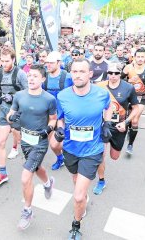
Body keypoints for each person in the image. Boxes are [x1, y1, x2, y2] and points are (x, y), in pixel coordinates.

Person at [55, 58, 112, 239]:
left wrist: (107, 124)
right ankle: (83, 197)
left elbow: (108, 108)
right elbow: (60, 118)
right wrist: (59, 129)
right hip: (71, 149)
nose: (78, 75)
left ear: (90, 74)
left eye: (81, 71)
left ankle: (76, 225)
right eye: (74, 71)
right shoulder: (63, 96)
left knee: (78, 196)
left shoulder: (102, 94)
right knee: (75, 180)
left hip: (92, 150)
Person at [6, 64, 57, 230]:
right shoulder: (19, 96)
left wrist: (48, 129)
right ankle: (48, 183)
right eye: (29, 76)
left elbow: (53, 119)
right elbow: (9, 116)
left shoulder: (49, 99)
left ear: (43, 78)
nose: (31, 79)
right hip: (25, 140)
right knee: (36, 168)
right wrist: (13, 117)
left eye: (35, 76)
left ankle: (27, 211)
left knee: (25, 177)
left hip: (40, 142)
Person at [93, 63, 139, 195]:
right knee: (100, 155)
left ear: (121, 74)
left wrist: (126, 122)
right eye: (110, 73)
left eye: (116, 73)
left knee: (114, 156)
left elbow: (136, 108)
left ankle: (121, 143)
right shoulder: (99, 86)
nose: (113, 76)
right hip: (102, 125)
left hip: (119, 126)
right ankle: (101, 181)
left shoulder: (128, 88)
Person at [0, 47, 28, 186]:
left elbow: (28, 92)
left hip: (19, 113)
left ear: (13, 60)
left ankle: (30, 159)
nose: (4, 63)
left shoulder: (21, 74)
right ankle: (2, 173)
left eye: (7, 61)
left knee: (20, 141)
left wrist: (12, 97)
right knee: (0, 142)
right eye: (2, 60)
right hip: (4, 112)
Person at [122, 48, 145, 155]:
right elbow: (120, 79)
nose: (140, 59)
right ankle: (129, 129)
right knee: (127, 118)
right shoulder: (128, 67)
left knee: (135, 120)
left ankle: (130, 144)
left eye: (142, 57)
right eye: (138, 57)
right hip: (128, 97)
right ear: (134, 57)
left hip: (141, 97)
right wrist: (128, 80)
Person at [43, 51, 73, 171]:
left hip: (66, 115)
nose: (48, 65)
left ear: (59, 63)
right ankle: (60, 158)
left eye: (51, 63)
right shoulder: (44, 77)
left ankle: (70, 156)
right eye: (47, 63)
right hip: (51, 115)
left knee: (66, 140)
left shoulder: (68, 77)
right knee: (53, 144)